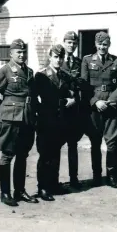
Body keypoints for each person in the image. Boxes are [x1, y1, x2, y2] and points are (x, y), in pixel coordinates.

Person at [0, 39, 38, 206]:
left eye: (23, 52)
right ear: (11, 54)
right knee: (8, 154)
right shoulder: (4, 71)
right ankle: (5, 193)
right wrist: (2, 112)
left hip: (27, 118)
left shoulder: (29, 72)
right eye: (18, 52)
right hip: (11, 118)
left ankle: (19, 191)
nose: (22, 55)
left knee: (23, 154)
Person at [81, 31, 117, 189]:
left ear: (109, 45)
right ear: (96, 44)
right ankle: (96, 176)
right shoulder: (87, 60)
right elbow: (84, 85)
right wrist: (95, 101)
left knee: (112, 143)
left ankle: (111, 175)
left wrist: (111, 101)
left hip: (111, 106)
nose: (102, 47)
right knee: (95, 141)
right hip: (95, 107)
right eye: (100, 44)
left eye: (105, 44)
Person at [35, 44, 77, 201]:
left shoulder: (64, 76)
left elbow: (72, 92)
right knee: (45, 154)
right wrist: (63, 101)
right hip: (46, 121)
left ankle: (53, 183)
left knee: (56, 153)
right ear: (50, 57)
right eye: (55, 57)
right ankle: (43, 187)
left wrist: (72, 99)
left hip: (60, 121)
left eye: (61, 58)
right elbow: (40, 99)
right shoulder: (42, 76)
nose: (58, 60)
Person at [61, 31, 84, 189]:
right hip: (60, 109)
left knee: (73, 145)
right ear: (64, 42)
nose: (71, 45)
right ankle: (52, 180)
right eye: (69, 42)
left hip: (74, 109)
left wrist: (76, 100)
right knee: (55, 145)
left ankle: (73, 178)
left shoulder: (79, 62)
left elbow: (82, 84)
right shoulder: (57, 60)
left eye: (74, 43)